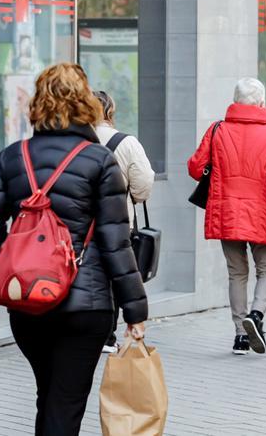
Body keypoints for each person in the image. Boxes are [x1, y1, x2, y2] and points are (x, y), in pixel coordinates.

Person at [0, 63, 148, 436]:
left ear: (38, 104)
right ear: (86, 104)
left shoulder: (11, 157)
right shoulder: (99, 161)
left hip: (28, 304)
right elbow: (116, 241)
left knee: (49, 394)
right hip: (84, 305)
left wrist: (18, 267)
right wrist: (135, 310)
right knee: (65, 403)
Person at [188, 78, 266, 356]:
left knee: (237, 272)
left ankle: (240, 336)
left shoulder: (218, 129)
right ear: (262, 103)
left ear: (235, 100)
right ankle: (255, 316)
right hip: (263, 213)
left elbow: (196, 169)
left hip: (227, 211)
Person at [92, 89, 155, 352]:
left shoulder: (74, 140)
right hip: (118, 222)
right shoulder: (126, 143)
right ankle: (107, 335)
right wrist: (132, 198)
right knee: (115, 276)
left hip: (80, 225)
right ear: (110, 111)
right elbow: (143, 183)